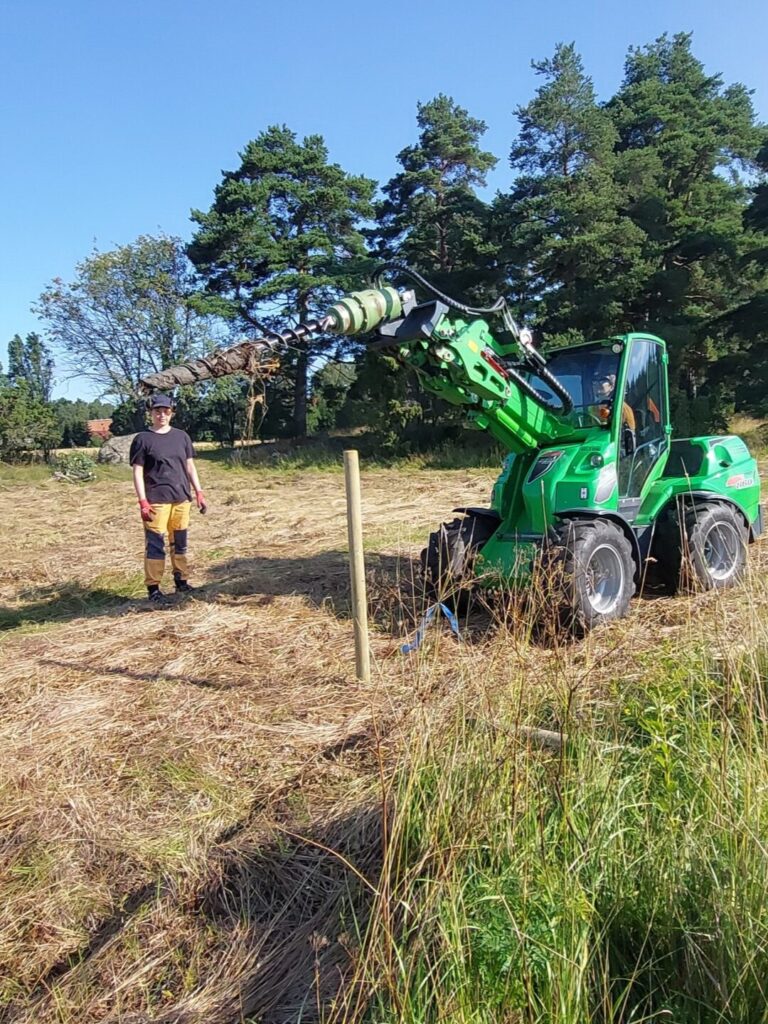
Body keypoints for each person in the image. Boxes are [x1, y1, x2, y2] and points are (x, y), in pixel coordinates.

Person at [129, 394, 208, 604]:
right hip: (156, 500)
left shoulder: (181, 437)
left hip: (181, 498)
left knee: (179, 543)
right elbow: (137, 472)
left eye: (166, 411)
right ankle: (153, 587)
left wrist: (198, 492)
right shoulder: (142, 439)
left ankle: (181, 581)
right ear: (151, 413)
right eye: (157, 411)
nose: (161, 415)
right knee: (155, 545)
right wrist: (142, 501)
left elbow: (190, 466)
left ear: (171, 413)